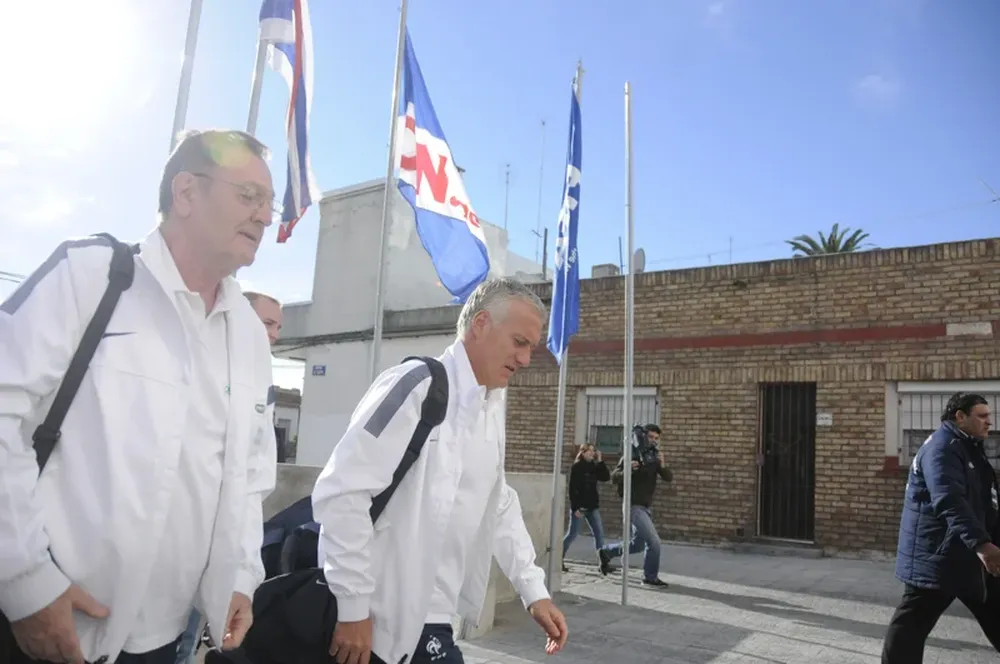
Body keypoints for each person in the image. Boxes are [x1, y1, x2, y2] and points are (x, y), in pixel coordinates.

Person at [0, 129, 278, 664]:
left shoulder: (248, 332)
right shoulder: (92, 277)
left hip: (169, 640)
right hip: (49, 629)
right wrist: (25, 584)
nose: (265, 216)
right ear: (186, 193)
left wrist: (242, 575)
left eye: (270, 203)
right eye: (249, 197)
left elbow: (248, 472)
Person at [312, 278, 569, 664]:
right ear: (481, 324)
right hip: (375, 621)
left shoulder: (491, 406)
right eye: (519, 342)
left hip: (432, 618)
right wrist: (353, 609)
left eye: (531, 347)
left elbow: (496, 502)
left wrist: (534, 591)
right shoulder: (414, 386)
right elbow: (342, 492)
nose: (526, 360)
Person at [175, 289, 284, 664]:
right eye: (267, 323)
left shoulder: (257, 381)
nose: (274, 334)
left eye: (278, 326)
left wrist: (243, 576)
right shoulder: (194, 366)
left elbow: (252, 483)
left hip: (201, 573)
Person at [881, 392, 1000, 662]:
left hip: (967, 552)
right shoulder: (943, 448)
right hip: (939, 556)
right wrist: (983, 545)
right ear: (960, 416)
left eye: (989, 416)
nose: (989, 422)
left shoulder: (967, 446)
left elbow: (983, 500)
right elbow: (949, 500)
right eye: (981, 416)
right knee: (911, 623)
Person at [598, 424, 672, 587]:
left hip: (645, 506)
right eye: (651, 437)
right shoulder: (631, 454)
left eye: (656, 438)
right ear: (644, 436)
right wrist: (628, 470)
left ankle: (606, 552)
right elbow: (614, 477)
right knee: (654, 542)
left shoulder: (654, 457)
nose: (653, 440)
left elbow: (668, 477)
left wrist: (663, 464)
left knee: (637, 544)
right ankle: (650, 578)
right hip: (633, 505)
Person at [562, 443, 611, 572]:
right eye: (589, 451)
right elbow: (573, 489)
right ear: (583, 453)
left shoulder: (594, 466)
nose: (592, 453)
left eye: (593, 451)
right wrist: (575, 508)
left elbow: (605, 477)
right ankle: (557, 558)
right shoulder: (577, 467)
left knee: (599, 534)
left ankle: (603, 563)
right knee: (573, 533)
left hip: (592, 506)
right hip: (580, 506)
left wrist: (600, 461)